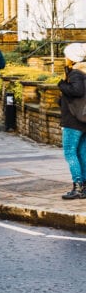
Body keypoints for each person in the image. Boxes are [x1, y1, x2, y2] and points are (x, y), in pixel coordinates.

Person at [57, 43, 86, 200]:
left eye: (66, 55)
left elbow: (77, 91)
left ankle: (78, 187)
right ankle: (84, 187)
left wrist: (61, 84)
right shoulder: (83, 72)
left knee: (70, 152)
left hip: (73, 121)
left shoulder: (75, 74)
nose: (65, 58)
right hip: (82, 119)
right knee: (82, 153)